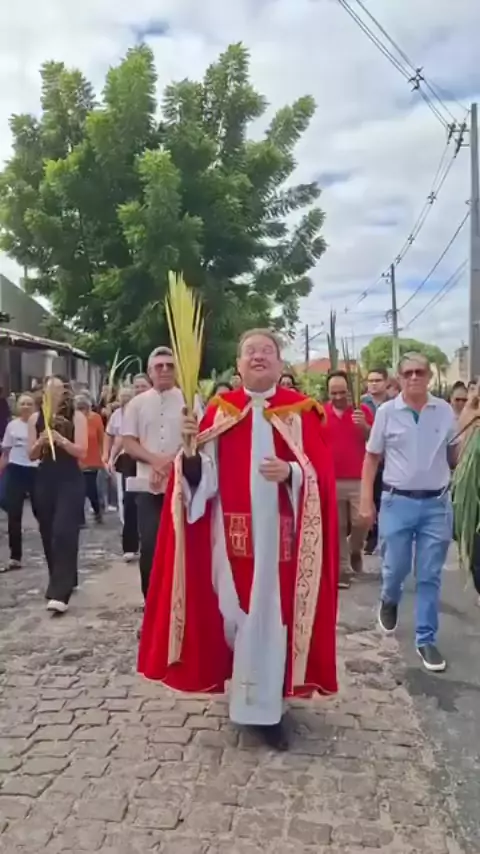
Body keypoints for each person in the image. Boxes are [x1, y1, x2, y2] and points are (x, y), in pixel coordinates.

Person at [138, 329, 339, 751]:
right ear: (238, 364)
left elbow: (321, 475)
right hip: (231, 541)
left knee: (273, 618)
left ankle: (266, 711)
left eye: (267, 351)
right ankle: (246, 695)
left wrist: (292, 474)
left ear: (280, 365)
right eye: (250, 351)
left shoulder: (301, 412)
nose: (259, 356)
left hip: (283, 543)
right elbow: (200, 478)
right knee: (236, 616)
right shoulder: (220, 411)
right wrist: (190, 454)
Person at [359, 352, 459, 673]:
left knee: (429, 575)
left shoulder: (444, 411)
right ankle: (389, 599)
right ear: (399, 379)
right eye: (408, 373)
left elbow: (454, 455)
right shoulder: (387, 413)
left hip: (436, 504)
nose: (414, 378)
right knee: (396, 568)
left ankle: (426, 638)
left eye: (419, 372)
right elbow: (372, 458)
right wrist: (366, 500)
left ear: (429, 376)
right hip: (396, 502)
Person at [122, 347, 202, 601]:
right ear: (150, 371)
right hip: (149, 486)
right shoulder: (136, 404)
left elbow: (200, 437)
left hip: (184, 485)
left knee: (184, 546)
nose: (165, 370)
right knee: (150, 547)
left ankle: (182, 604)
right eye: (159, 366)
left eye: (170, 365)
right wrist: (155, 461)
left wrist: (171, 462)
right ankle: (152, 604)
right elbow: (129, 442)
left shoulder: (190, 400)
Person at [28, 376, 87, 614]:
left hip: (69, 477)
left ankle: (60, 592)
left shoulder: (76, 416)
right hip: (45, 477)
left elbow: (81, 451)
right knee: (48, 531)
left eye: (58, 389)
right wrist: (41, 442)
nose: (53, 393)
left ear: (65, 393)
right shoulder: (35, 418)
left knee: (64, 530)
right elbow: (31, 455)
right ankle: (62, 577)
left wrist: (61, 440)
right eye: (49, 388)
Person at [324, 371, 373, 587]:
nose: (338, 397)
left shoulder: (362, 411)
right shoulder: (321, 413)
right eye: (333, 393)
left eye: (342, 392)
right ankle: (342, 569)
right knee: (337, 526)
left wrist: (364, 427)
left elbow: (375, 440)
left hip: (359, 478)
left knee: (363, 519)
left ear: (350, 391)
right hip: (331, 478)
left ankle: (355, 549)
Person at [0, 393, 38, 572]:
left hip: (35, 469)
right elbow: (6, 453)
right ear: (17, 406)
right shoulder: (12, 426)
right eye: (22, 404)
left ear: (34, 406)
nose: (26, 407)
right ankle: (15, 557)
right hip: (16, 469)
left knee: (42, 512)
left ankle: (53, 550)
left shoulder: (39, 424)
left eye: (29, 404)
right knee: (14, 514)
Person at [105, 386, 139, 562]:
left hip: (146, 457)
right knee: (127, 499)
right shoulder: (117, 415)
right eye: (123, 395)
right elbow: (113, 436)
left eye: (128, 395)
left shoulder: (141, 409)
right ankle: (130, 544)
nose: (125, 398)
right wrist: (109, 457)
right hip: (126, 459)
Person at [75, 396, 105, 524]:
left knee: (90, 489)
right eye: (79, 408)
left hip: (92, 460)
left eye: (83, 408)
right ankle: (80, 518)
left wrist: (103, 456)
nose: (81, 411)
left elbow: (101, 438)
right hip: (76, 459)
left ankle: (97, 510)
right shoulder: (73, 419)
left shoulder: (95, 418)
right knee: (77, 490)